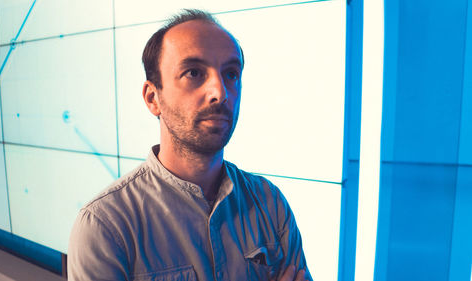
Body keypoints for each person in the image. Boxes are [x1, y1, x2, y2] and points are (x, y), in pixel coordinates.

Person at [68, 9, 313, 281]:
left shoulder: (269, 203)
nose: (220, 92)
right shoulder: (107, 226)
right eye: (194, 72)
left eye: (231, 74)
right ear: (152, 98)